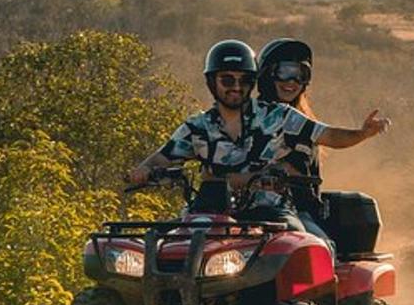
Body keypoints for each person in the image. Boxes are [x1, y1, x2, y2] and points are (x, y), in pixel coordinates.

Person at [127, 39, 390, 231]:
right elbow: (161, 158)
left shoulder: (279, 116)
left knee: (312, 249)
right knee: (153, 250)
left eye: (243, 80)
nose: (236, 87)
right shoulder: (197, 127)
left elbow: (330, 136)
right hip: (208, 216)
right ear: (212, 82)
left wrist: (362, 133)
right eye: (227, 80)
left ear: (253, 82)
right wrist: (142, 171)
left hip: (272, 215)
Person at [255, 38, 330, 246]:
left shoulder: (307, 125)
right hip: (245, 212)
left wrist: (363, 132)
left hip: (294, 213)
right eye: (285, 71)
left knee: (320, 248)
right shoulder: (246, 119)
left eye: (301, 74)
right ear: (267, 74)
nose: (292, 81)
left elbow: (306, 186)